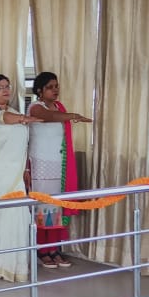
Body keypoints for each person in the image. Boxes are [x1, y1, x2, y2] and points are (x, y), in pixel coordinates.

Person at [0, 74, 41, 282]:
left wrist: (26, 169)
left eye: (7, 86)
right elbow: (4, 119)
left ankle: (15, 265)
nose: (5, 90)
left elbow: (22, 144)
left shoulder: (13, 111)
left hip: (15, 174)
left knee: (16, 216)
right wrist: (25, 119)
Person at [28, 72, 92, 269]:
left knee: (56, 207)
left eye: (56, 86)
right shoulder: (35, 107)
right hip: (40, 165)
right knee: (43, 208)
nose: (55, 90)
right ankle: (42, 251)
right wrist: (73, 116)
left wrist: (68, 115)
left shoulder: (60, 107)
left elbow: (56, 116)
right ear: (40, 90)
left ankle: (54, 250)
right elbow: (48, 117)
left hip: (59, 164)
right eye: (50, 87)